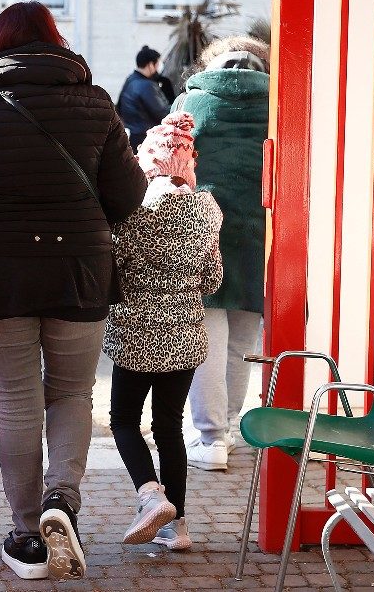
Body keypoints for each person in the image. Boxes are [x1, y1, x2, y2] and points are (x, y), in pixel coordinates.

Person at [0, 2, 146, 581]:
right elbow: (128, 197)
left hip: (1, 279)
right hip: (81, 272)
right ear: (56, 43)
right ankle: (62, 502)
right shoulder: (95, 103)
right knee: (72, 395)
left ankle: (27, 537)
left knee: (17, 401)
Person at [104, 112, 222, 553]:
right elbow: (211, 280)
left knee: (123, 420)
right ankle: (180, 525)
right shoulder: (208, 210)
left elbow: (114, 272)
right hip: (186, 335)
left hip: (134, 333)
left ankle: (150, 495)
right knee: (169, 425)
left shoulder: (129, 213)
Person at [174, 37, 271, 472]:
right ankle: (226, 430)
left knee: (207, 343)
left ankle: (210, 439)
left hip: (204, 230)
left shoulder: (193, 102)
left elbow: (167, 162)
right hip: (260, 234)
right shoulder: (279, 102)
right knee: (241, 345)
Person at [117, 46, 170, 151]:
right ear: (150, 64)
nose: (158, 69)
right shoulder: (146, 86)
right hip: (145, 139)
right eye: (157, 65)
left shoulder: (130, 79)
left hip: (133, 136)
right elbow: (163, 113)